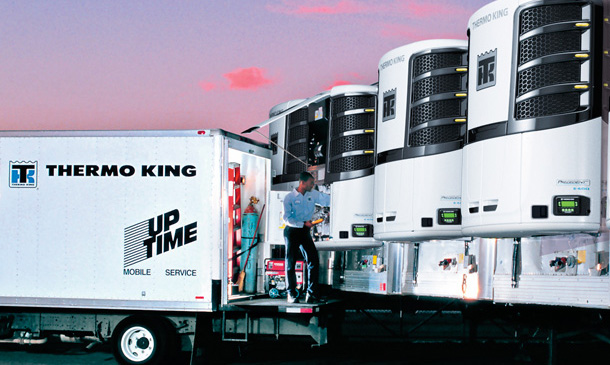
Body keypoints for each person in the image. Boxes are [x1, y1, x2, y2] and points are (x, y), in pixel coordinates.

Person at [283, 171, 330, 304]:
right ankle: (291, 294)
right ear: (302, 182)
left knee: (313, 260)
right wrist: (302, 224)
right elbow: (286, 218)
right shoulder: (289, 198)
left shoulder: (312, 194)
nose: (313, 185)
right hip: (292, 231)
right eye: (311, 183)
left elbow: (327, 200)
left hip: (304, 231)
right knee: (290, 262)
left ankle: (312, 294)